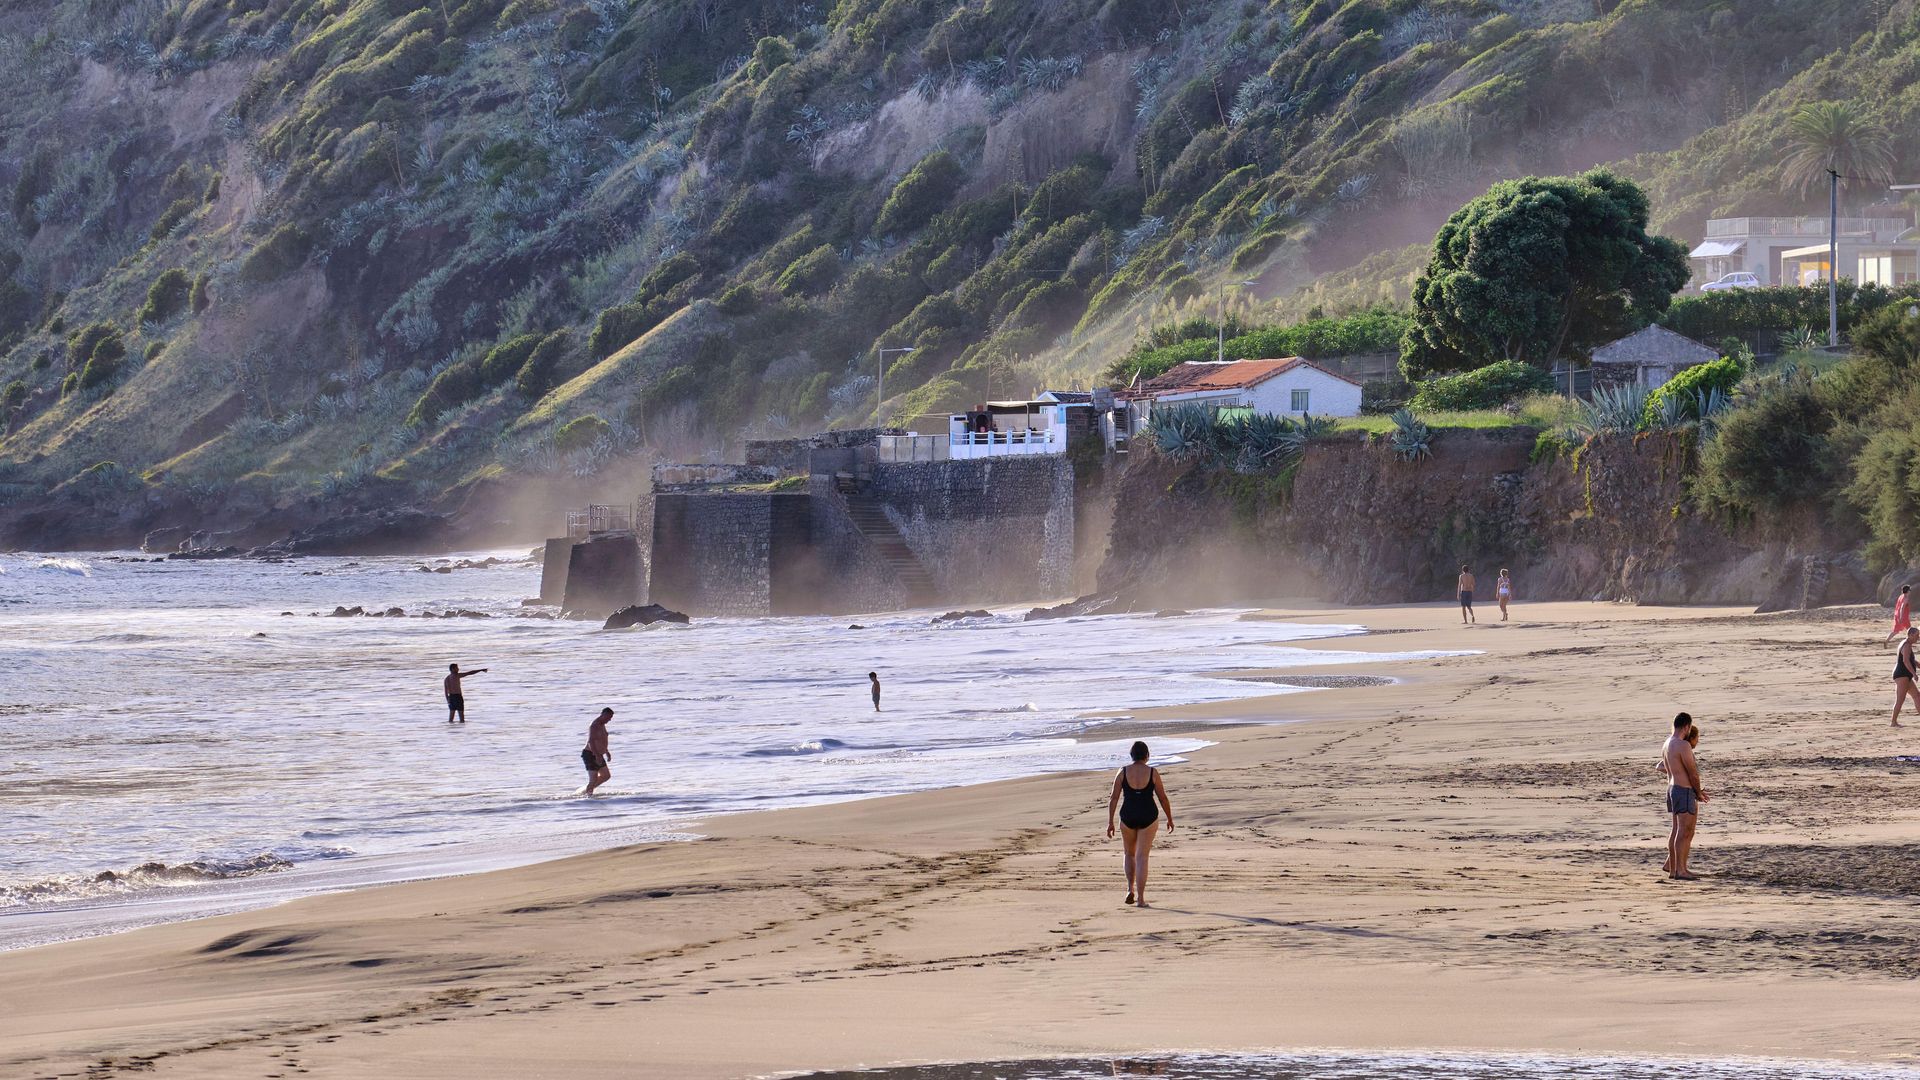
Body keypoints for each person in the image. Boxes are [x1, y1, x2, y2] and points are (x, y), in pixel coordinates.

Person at [1105, 740, 1174, 908]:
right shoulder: (1152, 772)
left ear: (1131, 755)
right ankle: (1141, 899)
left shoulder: (1122, 772)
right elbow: (1162, 797)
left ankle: (1130, 889)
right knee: (1142, 857)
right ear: (1147, 756)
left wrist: (1110, 822)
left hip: (1128, 815)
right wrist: (1170, 818)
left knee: (1129, 854)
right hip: (1148, 815)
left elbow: (1113, 798)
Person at [1661, 712, 1708, 881]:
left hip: (1672, 788)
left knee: (1676, 830)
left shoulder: (1667, 743)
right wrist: (1698, 792)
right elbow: (1693, 773)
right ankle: (1681, 870)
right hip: (1683, 789)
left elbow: (1664, 767)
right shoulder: (1682, 745)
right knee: (1685, 832)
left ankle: (1674, 869)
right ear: (1687, 727)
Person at [581, 708, 614, 795]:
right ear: (603, 715)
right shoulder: (594, 725)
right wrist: (597, 756)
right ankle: (588, 797)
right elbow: (591, 741)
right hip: (590, 754)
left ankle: (585, 791)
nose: (609, 720)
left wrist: (606, 751)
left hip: (598, 754)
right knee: (593, 779)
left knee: (606, 775)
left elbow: (601, 739)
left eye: (610, 718)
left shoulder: (602, 724)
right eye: (608, 718)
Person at [1893, 627, 1920, 728]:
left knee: (1917, 696)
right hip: (1902, 675)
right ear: (1910, 635)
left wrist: (1918, 665)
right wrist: (1914, 674)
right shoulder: (1906, 646)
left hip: (1904, 675)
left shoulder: (1906, 643)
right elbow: (1905, 661)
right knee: (1900, 700)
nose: (1918, 638)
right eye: (1917, 636)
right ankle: (1893, 722)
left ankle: (1893, 722)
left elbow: (1911, 660)